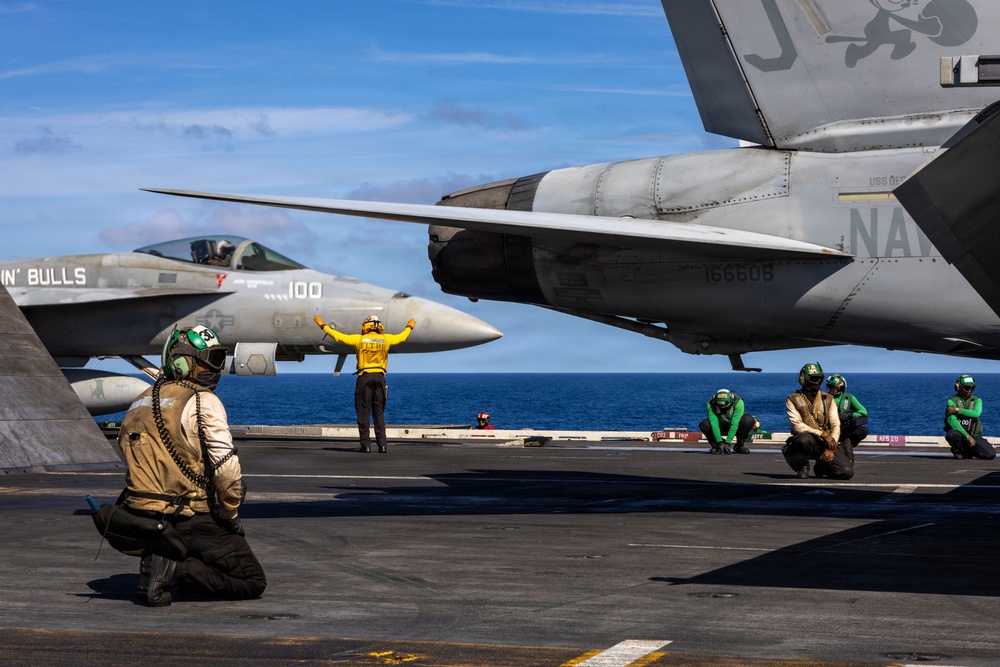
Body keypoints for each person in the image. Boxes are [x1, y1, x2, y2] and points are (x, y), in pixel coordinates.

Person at [116, 325, 266, 606]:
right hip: (188, 516)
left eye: (219, 359)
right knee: (252, 582)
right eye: (208, 360)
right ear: (183, 363)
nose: (215, 368)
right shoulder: (203, 401)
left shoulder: (139, 401)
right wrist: (230, 515)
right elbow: (227, 471)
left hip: (140, 516)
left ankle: (165, 555)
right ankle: (173, 568)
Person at [314, 314, 415, 453]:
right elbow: (402, 336)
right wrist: (409, 327)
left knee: (363, 412)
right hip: (380, 378)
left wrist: (323, 326)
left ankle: (366, 445)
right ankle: (383, 445)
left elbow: (338, 337)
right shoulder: (386, 339)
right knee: (379, 413)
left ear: (366, 326)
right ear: (379, 326)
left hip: (365, 378)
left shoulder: (359, 339)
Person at [783, 362, 853, 480]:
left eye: (819, 378)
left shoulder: (828, 399)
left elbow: (835, 425)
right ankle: (802, 465)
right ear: (803, 379)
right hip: (808, 440)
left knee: (846, 472)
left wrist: (832, 447)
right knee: (803, 439)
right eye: (813, 378)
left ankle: (821, 465)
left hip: (825, 442)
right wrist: (822, 433)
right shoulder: (793, 399)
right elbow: (797, 425)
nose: (816, 382)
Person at [944, 374, 996, 460]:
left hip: (973, 434)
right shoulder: (951, 401)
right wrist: (967, 436)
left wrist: (958, 410)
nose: (970, 390)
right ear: (959, 387)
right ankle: (958, 451)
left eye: (972, 388)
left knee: (990, 454)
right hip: (960, 434)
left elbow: (976, 414)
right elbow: (952, 421)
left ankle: (967, 450)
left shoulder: (977, 400)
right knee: (952, 435)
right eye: (967, 388)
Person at [698, 389, 758, 454]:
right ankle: (717, 446)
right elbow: (713, 423)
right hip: (720, 426)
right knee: (704, 424)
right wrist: (719, 442)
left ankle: (739, 446)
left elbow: (735, 423)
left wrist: (728, 442)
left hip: (736, 426)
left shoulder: (738, 402)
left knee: (748, 419)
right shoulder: (711, 403)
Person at [826, 374, 869, 452]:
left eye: (831, 387)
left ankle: (848, 445)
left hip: (843, 428)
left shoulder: (848, 398)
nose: (829, 389)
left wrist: (851, 415)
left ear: (840, 387)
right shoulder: (825, 397)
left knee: (863, 430)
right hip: (829, 429)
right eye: (828, 386)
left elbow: (863, 411)